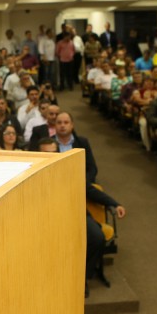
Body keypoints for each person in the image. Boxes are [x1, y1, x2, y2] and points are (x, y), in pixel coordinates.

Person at [37, 138, 126, 297]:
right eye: (45, 154)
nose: (50, 157)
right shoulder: (30, 175)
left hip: (75, 214)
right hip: (45, 219)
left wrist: (114, 204)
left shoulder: (69, 171)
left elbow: (91, 191)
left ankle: (81, 277)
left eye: (53, 153)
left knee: (96, 237)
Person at [53, 112, 98, 183]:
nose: (62, 125)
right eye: (59, 123)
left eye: (66, 122)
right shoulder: (49, 143)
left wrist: (82, 182)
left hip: (80, 182)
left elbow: (92, 169)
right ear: (55, 125)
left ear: (72, 125)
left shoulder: (82, 142)